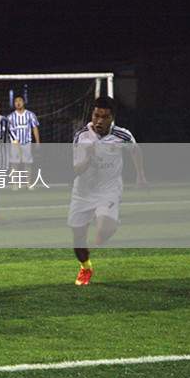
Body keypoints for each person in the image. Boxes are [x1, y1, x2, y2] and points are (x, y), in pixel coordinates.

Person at [68, 96, 147, 285]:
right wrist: (88, 156)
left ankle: (109, 220)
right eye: (96, 115)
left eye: (104, 117)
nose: (99, 121)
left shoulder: (122, 135)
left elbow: (135, 150)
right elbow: (76, 170)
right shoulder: (81, 136)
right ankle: (86, 267)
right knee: (78, 241)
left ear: (112, 118)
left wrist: (140, 175)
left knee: (103, 231)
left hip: (108, 190)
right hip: (83, 192)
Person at [6, 95, 40, 187]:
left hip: (26, 142)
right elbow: (8, 131)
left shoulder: (30, 115)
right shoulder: (10, 117)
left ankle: (28, 183)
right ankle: (14, 184)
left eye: (20, 100)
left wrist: (37, 142)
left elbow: (35, 128)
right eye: (16, 101)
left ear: (23, 102)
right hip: (14, 144)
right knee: (14, 163)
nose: (18, 103)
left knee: (28, 163)